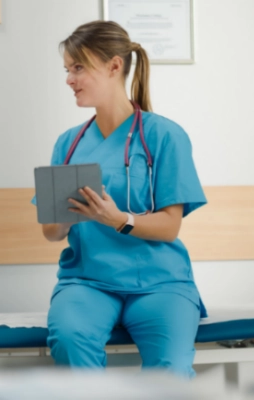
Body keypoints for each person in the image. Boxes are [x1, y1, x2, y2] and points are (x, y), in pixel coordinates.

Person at [39, 21, 207, 378]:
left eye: (78, 67)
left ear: (114, 66)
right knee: (69, 340)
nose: (69, 78)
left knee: (171, 370)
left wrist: (118, 219)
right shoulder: (67, 144)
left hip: (160, 283)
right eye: (67, 70)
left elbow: (169, 227)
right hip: (87, 282)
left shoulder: (164, 136)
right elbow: (51, 232)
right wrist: (70, 214)